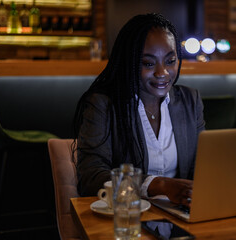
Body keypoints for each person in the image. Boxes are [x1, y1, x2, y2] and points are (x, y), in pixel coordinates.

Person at [73, 13, 205, 207]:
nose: (163, 73)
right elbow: (91, 177)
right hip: (128, 219)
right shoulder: (103, 104)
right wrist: (158, 184)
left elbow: (202, 167)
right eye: (148, 63)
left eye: (170, 61)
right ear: (129, 62)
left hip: (181, 216)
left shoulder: (190, 101)